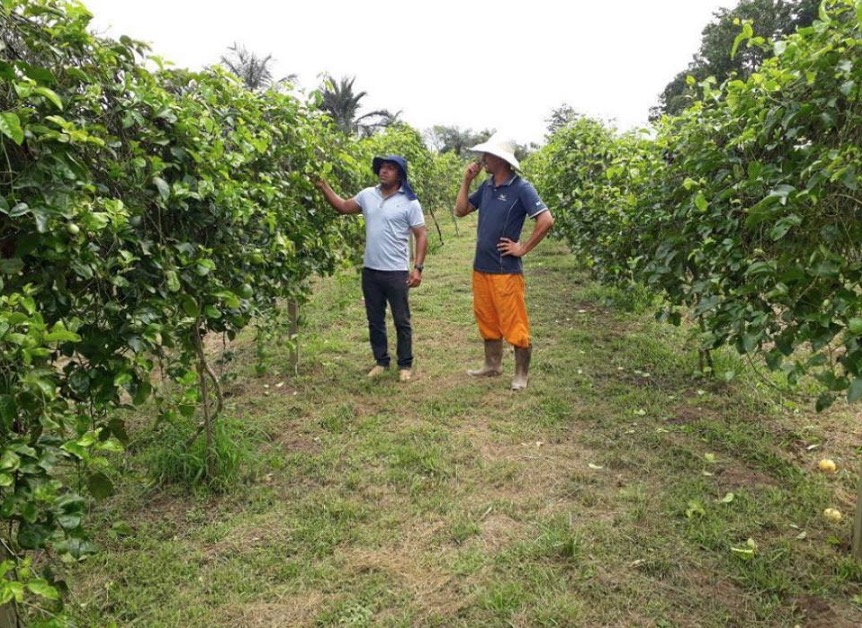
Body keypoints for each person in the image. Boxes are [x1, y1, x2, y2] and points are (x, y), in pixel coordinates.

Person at [454, 133, 554, 391]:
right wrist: (466, 181)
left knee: (514, 322)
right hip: (482, 267)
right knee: (486, 317)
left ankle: (521, 374)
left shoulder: (521, 188)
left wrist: (522, 248)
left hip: (505, 271)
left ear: (500, 159)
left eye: (486, 155)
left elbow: (546, 221)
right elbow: (461, 210)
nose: (482, 159)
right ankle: (492, 364)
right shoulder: (487, 186)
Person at [315, 155, 427, 382]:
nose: (384, 171)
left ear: (400, 175)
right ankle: (381, 361)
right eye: (382, 168)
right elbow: (343, 207)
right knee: (374, 319)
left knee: (401, 320)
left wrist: (417, 268)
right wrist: (323, 186)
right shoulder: (367, 195)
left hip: (396, 271)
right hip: (371, 271)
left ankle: (405, 364)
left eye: (390, 168)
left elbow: (421, 234)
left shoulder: (409, 202)